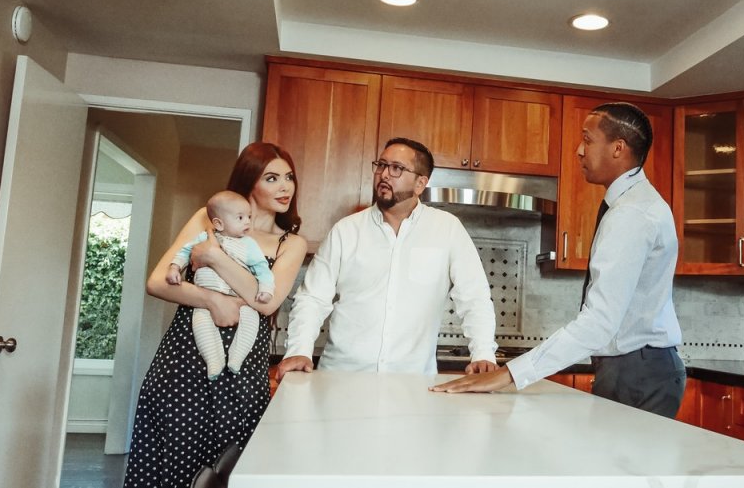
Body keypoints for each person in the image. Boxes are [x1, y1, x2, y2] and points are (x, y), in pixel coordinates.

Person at [430, 102, 686, 419]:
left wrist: (508, 374)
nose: (579, 150)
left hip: (638, 373)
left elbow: (598, 323)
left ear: (618, 148)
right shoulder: (631, 205)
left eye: (588, 139)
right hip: (636, 368)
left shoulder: (632, 214)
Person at [123, 142, 308, 488]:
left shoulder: (291, 243)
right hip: (183, 364)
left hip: (243, 373)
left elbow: (266, 303)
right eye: (271, 178)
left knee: (229, 474)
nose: (285, 187)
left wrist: (215, 256)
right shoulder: (207, 218)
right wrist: (211, 299)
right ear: (249, 181)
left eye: (289, 177)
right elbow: (157, 282)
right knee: (172, 471)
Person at [275, 137, 498, 381]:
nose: (384, 174)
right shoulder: (346, 231)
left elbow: (474, 297)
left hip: (412, 383)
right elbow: (313, 298)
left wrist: (483, 353)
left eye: (397, 168)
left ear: (420, 183)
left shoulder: (447, 229)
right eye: (381, 165)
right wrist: (298, 350)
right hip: (341, 377)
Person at [167, 190, 275, 379]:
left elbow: (262, 268)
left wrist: (266, 289)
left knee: (252, 319)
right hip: (204, 298)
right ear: (218, 223)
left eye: (249, 217)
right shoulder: (204, 238)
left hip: (237, 298)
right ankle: (213, 361)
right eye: (240, 218)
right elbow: (184, 252)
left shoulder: (249, 245)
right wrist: (174, 268)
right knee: (200, 323)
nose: (247, 222)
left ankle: (237, 358)